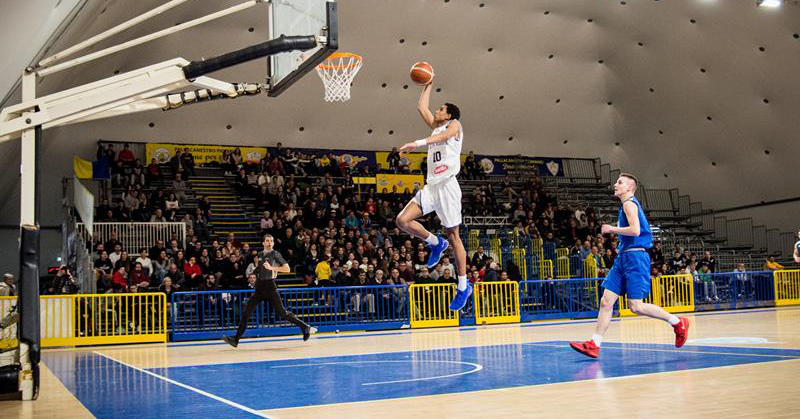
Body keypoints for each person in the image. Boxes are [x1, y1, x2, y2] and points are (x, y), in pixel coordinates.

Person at [570, 173, 689, 358]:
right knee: (606, 301)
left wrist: (612, 229)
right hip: (623, 258)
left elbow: (635, 230)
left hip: (635, 258)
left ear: (630, 188)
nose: (616, 185)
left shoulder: (629, 204)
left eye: (620, 182)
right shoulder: (625, 206)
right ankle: (594, 343)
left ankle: (677, 322)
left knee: (636, 306)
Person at [396, 81, 470, 311]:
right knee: (402, 220)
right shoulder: (436, 127)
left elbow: (442, 138)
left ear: (448, 114)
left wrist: (416, 143)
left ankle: (463, 286)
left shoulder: (454, 125)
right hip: (432, 186)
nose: (436, 111)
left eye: (441, 108)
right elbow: (421, 108)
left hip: (447, 186)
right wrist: (428, 82)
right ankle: (435, 242)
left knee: (454, 235)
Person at [223, 235, 315, 347]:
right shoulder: (261, 254)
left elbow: (287, 268)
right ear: (263, 243)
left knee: (283, 313)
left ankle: (305, 327)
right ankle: (236, 339)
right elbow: (260, 269)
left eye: (271, 240)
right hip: (260, 287)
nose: (270, 242)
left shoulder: (275, 254)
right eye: (267, 240)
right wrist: (252, 273)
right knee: (246, 313)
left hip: (270, 286)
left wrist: (273, 268)